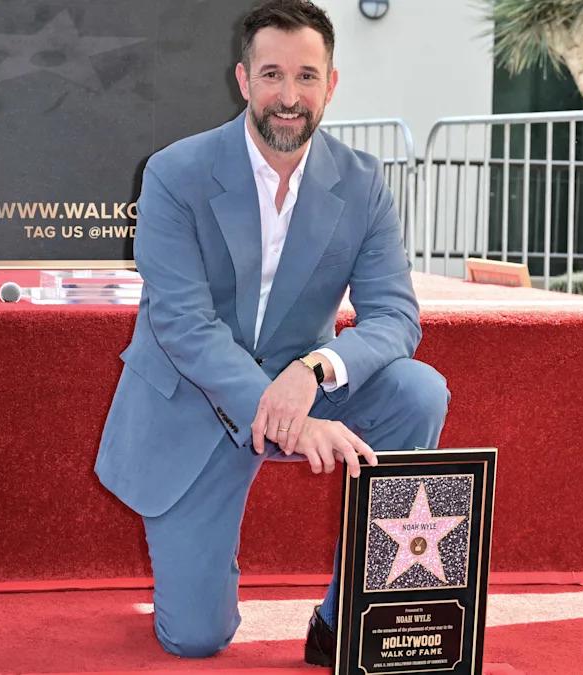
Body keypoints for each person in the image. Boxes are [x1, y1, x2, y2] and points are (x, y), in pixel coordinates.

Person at [95, 0, 448, 665]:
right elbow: (183, 324)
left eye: (307, 76)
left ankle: (352, 611)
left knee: (417, 391)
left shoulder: (364, 183)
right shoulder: (173, 173)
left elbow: (395, 316)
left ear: (331, 84)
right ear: (243, 79)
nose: (289, 97)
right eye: (272, 75)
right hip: (196, 402)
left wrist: (313, 371)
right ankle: (205, 577)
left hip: (303, 384)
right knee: (195, 638)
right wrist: (285, 414)